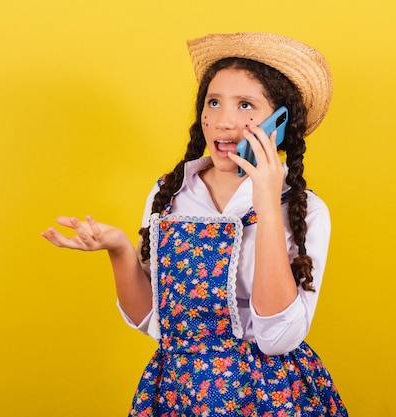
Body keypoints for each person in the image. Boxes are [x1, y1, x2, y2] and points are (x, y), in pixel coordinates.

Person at [42, 32, 347, 416]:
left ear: (279, 124)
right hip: (179, 391)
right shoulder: (169, 194)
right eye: (214, 102)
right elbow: (154, 321)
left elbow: (277, 338)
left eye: (245, 105)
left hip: (269, 396)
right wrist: (119, 248)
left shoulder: (305, 209)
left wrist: (267, 205)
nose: (222, 121)